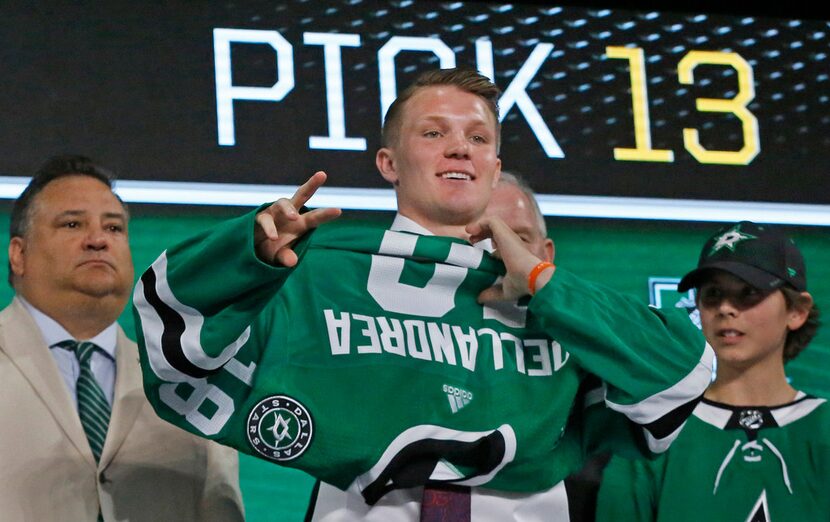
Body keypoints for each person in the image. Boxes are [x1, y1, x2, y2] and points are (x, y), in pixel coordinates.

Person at [133, 68, 713, 521]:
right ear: (389, 162)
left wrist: (541, 284)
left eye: (477, 137)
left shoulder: (558, 310)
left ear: (493, 165)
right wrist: (246, 255)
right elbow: (173, 347)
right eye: (434, 132)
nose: (459, 148)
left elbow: (683, 377)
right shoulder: (318, 275)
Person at [0, 155, 245, 521]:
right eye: (72, 224)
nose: (98, 240)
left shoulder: (185, 383)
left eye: (114, 229)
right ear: (19, 254)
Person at [596, 221, 829, 521]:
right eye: (713, 294)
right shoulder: (655, 431)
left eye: (748, 293)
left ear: (797, 310)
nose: (725, 308)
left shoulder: (824, 428)